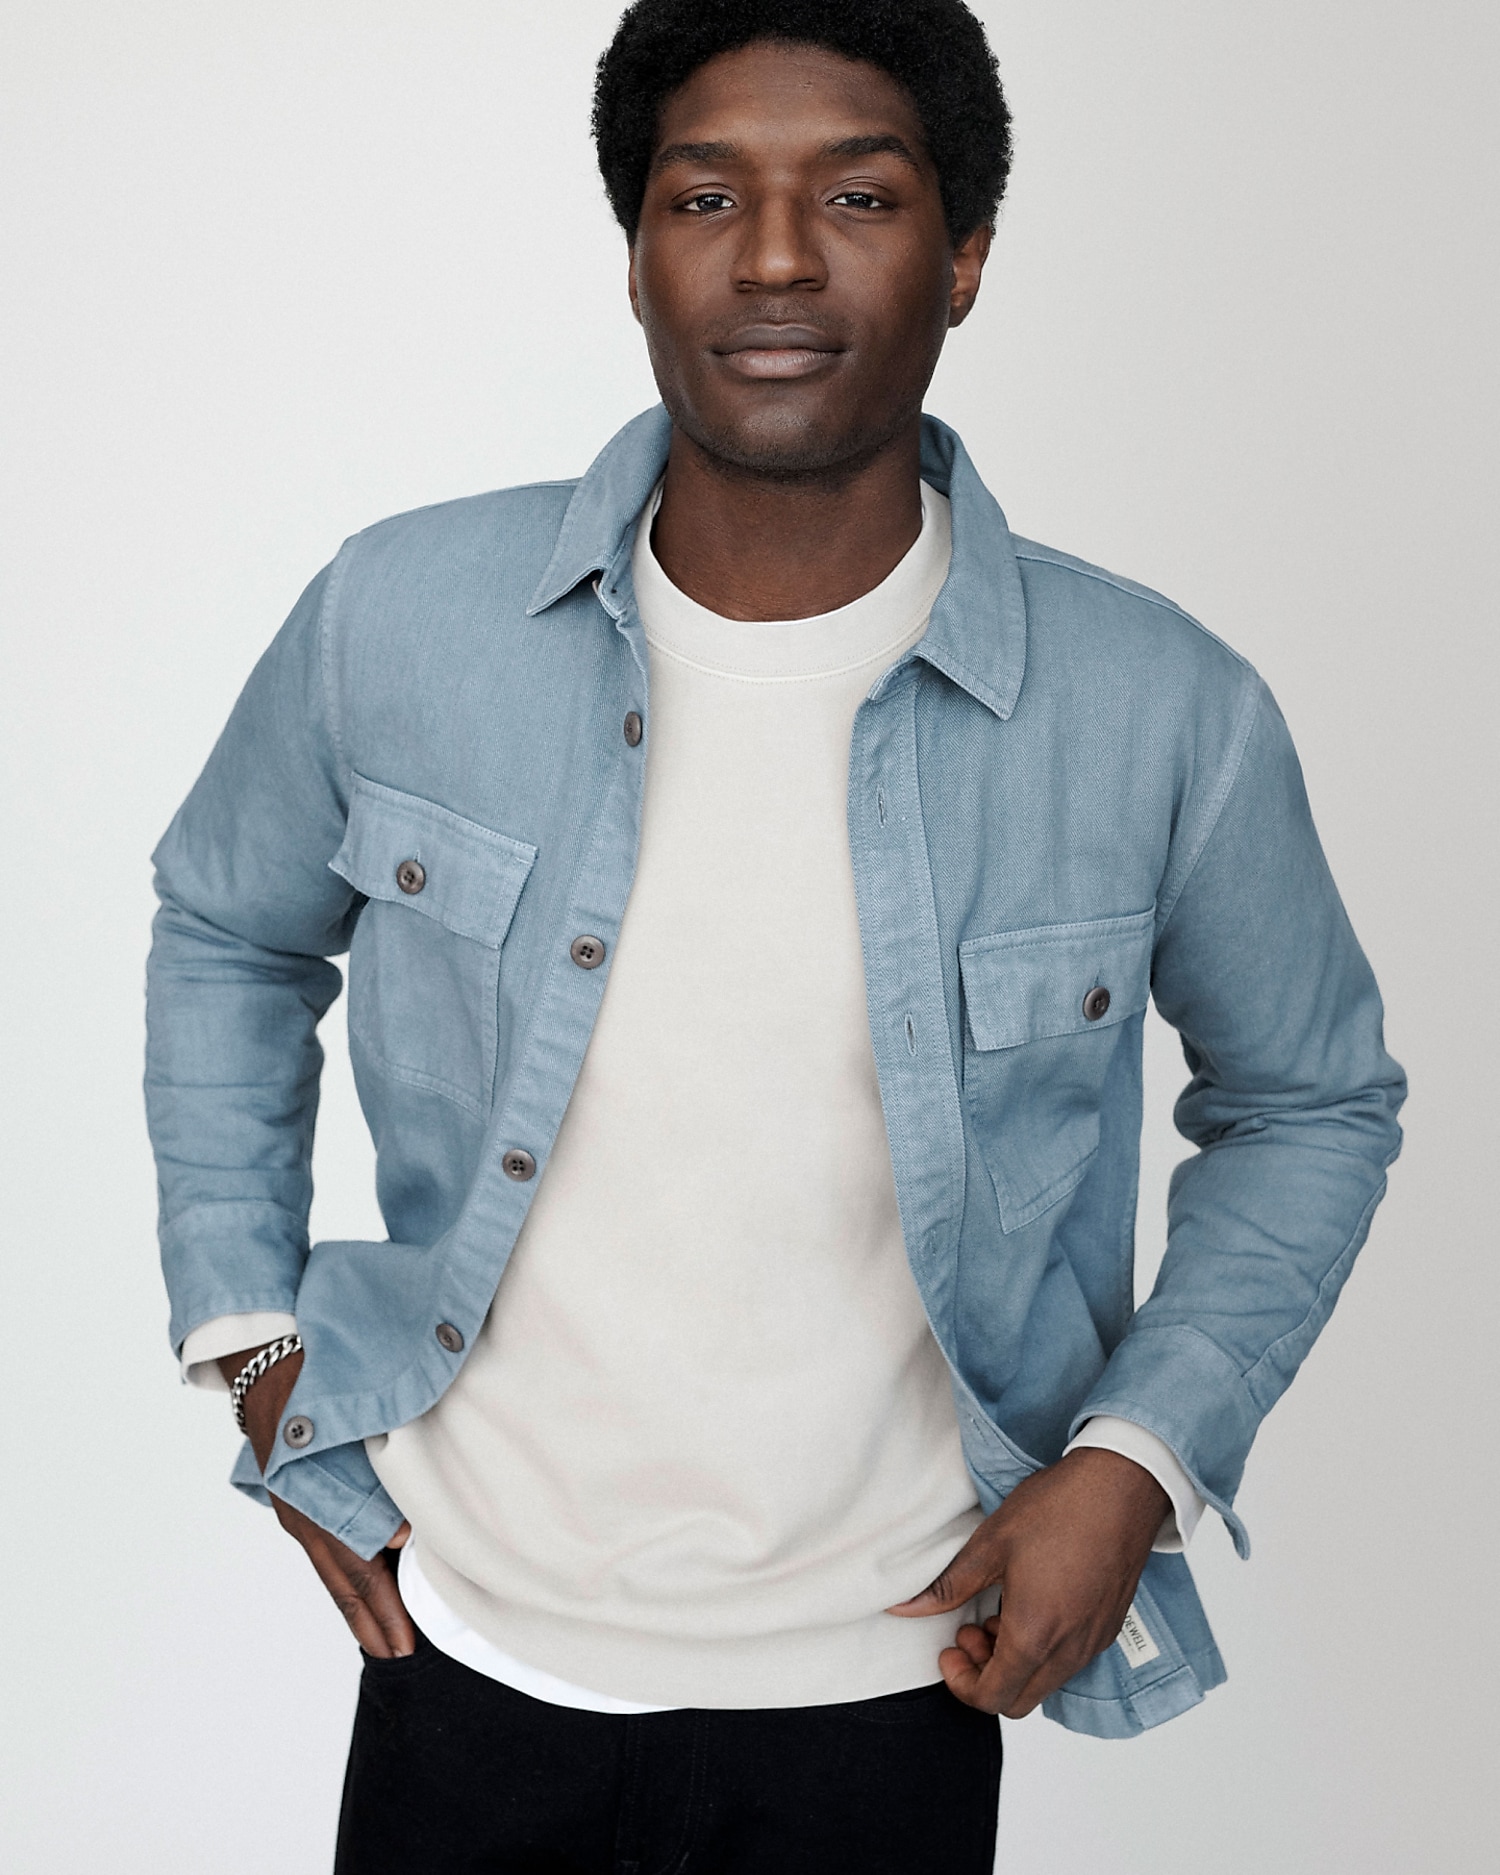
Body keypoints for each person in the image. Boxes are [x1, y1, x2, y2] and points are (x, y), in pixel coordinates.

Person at [145, 2, 1405, 1868]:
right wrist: (258, 1362)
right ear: (640, 252)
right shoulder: (395, 621)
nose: (779, 255)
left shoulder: (1163, 710)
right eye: (706, 191)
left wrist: (1133, 1467)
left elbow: (1312, 1102)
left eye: (865, 194)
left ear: (966, 256)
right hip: (464, 1658)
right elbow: (227, 936)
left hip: (889, 1693)